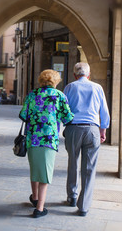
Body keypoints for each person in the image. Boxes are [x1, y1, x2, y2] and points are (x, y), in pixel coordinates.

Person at [19, 69, 74, 218]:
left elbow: (23, 115)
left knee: (35, 169)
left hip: (32, 138)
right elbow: (68, 117)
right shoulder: (59, 96)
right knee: (46, 172)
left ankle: (35, 197)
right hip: (49, 139)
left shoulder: (32, 94)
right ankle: (40, 208)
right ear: (55, 82)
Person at [63, 62, 110, 217]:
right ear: (89, 75)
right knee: (89, 168)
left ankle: (72, 196)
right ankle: (83, 206)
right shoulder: (97, 88)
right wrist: (102, 130)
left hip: (73, 128)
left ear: (75, 75)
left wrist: (64, 127)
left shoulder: (70, 87)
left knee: (73, 162)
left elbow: (64, 110)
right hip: (92, 129)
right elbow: (104, 112)